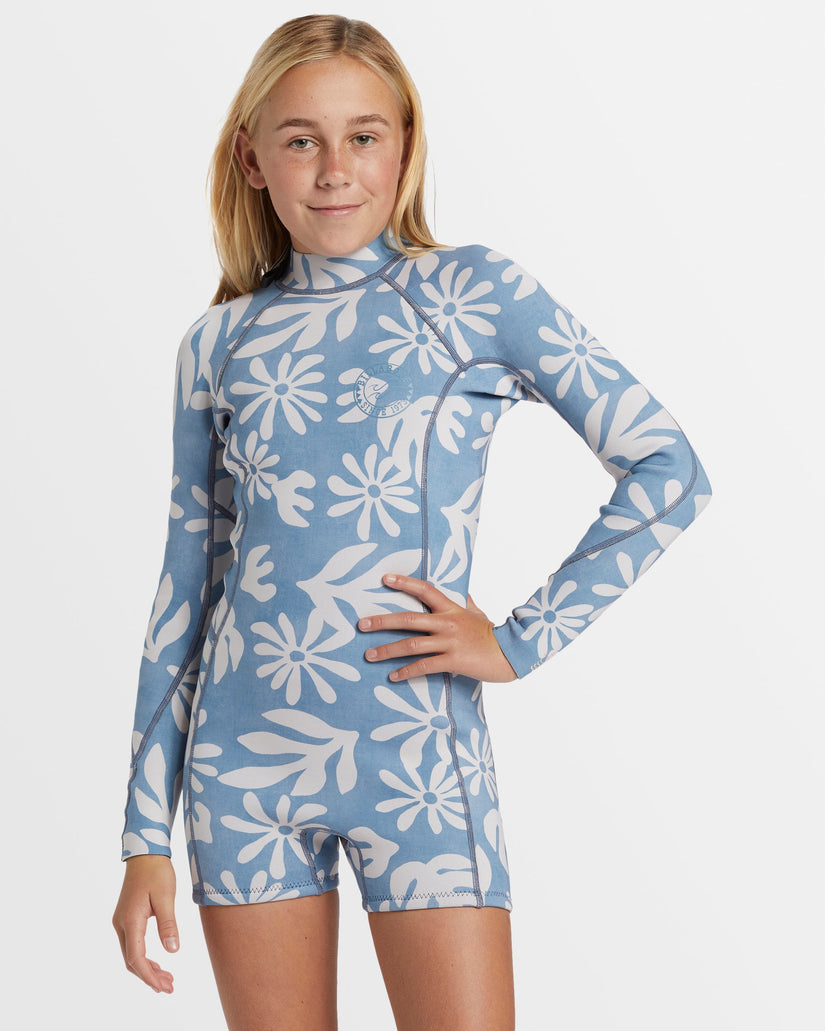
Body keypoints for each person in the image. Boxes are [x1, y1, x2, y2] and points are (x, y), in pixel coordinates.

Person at [112, 14, 710, 1030]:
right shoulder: (217, 345)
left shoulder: (472, 293)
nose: (334, 168)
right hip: (240, 772)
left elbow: (668, 469)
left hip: (420, 760)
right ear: (251, 159)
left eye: (364, 135)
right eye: (300, 139)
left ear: (404, 146)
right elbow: (186, 586)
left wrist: (517, 640)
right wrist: (141, 835)